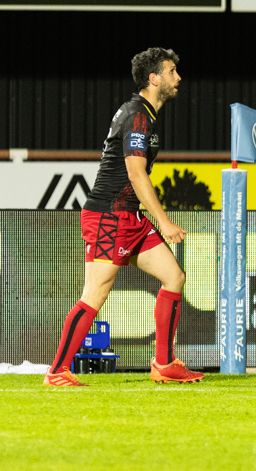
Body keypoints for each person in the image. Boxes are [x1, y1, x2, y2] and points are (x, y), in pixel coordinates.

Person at [41, 48, 203, 388]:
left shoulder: (145, 115)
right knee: (95, 294)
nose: (178, 77)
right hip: (108, 218)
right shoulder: (137, 115)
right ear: (154, 78)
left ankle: (163, 363)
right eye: (172, 71)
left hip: (129, 217)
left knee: (174, 276)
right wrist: (164, 221)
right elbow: (135, 173)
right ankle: (57, 372)